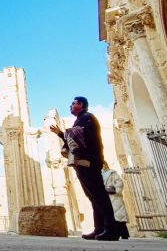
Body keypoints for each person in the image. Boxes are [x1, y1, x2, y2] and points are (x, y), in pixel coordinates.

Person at [50, 96, 119, 241]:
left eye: (73, 103)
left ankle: (111, 229)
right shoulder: (81, 119)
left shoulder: (87, 117)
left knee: (99, 195)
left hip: (89, 161)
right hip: (83, 162)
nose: (70, 106)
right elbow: (75, 139)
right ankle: (99, 229)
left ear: (81, 105)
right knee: (93, 196)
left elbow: (81, 138)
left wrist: (65, 135)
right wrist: (61, 134)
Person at [102, 161, 129, 240]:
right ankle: (113, 233)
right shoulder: (100, 174)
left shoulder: (112, 173)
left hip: (115, 196)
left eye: (104, 164)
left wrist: (117, 191)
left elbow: (119, 182)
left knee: (119, 215)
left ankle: (124, 234)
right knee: (110, 216)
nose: (103, 166)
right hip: (106, 196)